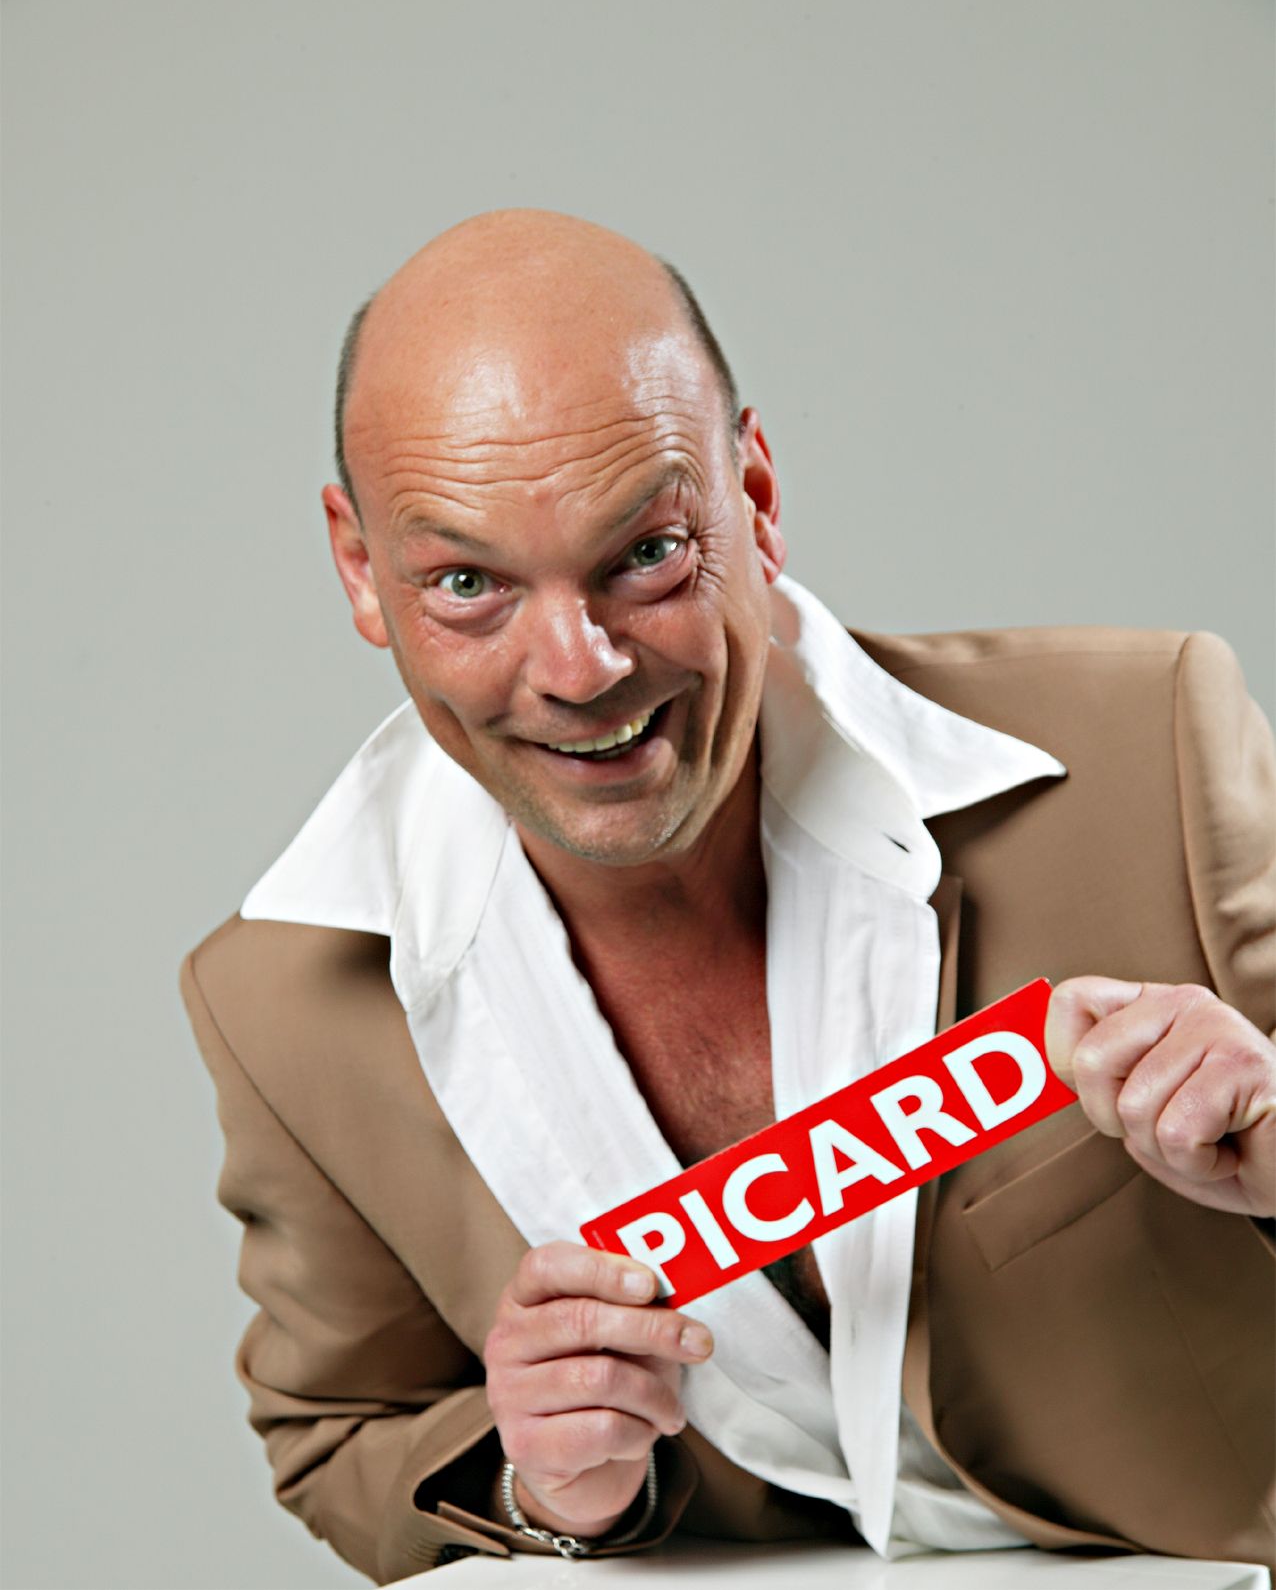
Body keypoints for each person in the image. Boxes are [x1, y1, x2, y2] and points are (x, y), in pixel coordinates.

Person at [181, 209, 1275, 1586]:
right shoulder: (278, 1003)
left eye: (644, 555)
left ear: (753, 495)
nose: (577, 669)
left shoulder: (1146, 750)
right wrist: (538, 1472)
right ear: (359, 568)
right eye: (466, 584)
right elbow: (342, 1436)